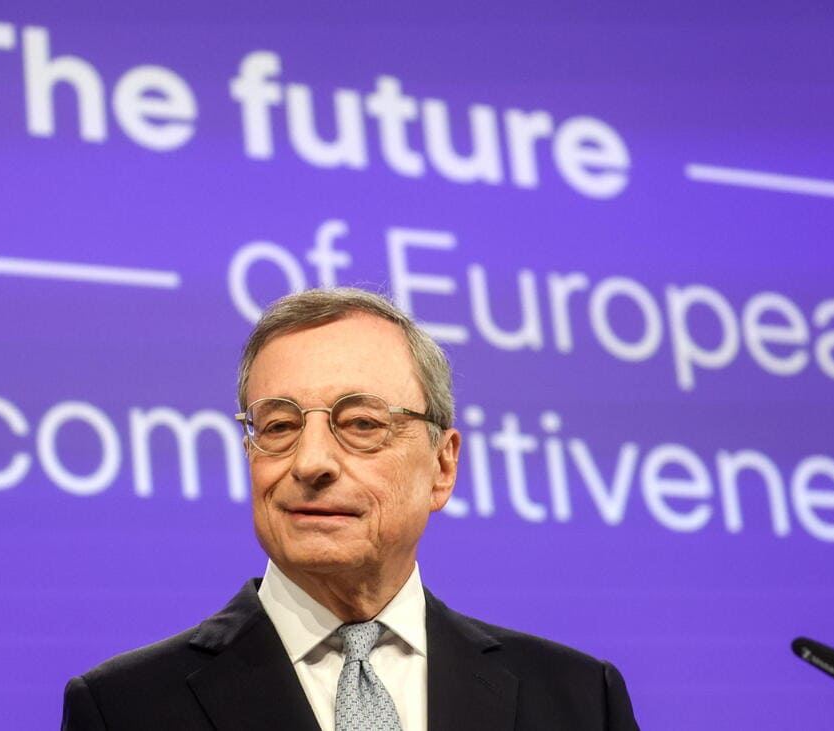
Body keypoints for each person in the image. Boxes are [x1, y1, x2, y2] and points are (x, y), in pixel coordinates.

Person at [61, 288, 639, 730]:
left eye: (361, 423)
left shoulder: (580, 700)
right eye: (279, 426)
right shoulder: (122, 709)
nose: (311, 461)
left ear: (442, 467)